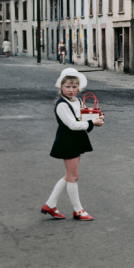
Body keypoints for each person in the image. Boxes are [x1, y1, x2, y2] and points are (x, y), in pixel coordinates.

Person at [41, 68, 105, 221]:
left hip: (75, 140)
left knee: (69, 175)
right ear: (61, 86)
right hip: (67, 142)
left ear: (79, 87)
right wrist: (91, 122)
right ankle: (78, 210)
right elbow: (72, 125)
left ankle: (50, 205)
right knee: (73, 176)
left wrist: (95, 119)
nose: (71, 90)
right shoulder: (62, 105)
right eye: (67, 86)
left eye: (74, 86)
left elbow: (81, 120)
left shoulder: (77, 100)